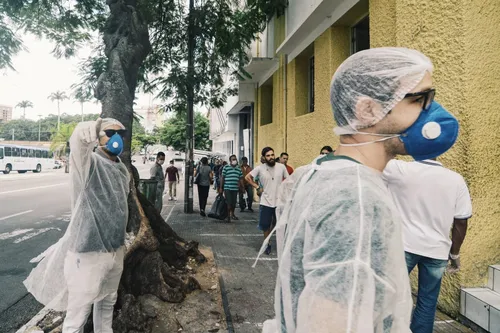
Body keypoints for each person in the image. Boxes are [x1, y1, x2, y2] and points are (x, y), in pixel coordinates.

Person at [260, 47, 461, 333]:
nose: (433, 111)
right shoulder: (355, 198)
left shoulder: (324, 170)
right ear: (367, 109)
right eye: (420, 99)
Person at [24, 118, 130, 333]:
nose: (117, 138)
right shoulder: (89, 164)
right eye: (110, 132)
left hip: (115, 250)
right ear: (98, 137)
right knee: (78, 314)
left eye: (122, 133)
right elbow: (79, 146)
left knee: (107, 303)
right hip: (87, 253)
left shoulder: (121, 169)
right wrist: (84, 132)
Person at [383, 158, 471, 333]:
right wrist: (454, 254)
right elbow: (461, 221)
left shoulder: (398, 169)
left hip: (402, 246)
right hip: (436, 251)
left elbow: (369, 163)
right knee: (427, 302)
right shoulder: (456, 179)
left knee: (387, 296)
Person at [245, 147, 288, 255]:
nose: (271, 157)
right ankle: (267, 244)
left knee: (279, 224)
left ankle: (282, 245)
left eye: (272, 155)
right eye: (268, 156)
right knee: (266, 225)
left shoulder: (281, 167)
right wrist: (257, 186)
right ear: (264, 157)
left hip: (279, 201)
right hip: (266, 201)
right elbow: (247, 177)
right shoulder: (260, 168)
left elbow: (288, 180)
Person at [220, 155, 243, 222]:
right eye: (233, 159)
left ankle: (232, 214)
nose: (234, 161)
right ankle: (228, 216)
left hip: (235, 189)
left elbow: (241, 178)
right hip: (227, 188)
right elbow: (222, 177)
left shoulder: (238, 168)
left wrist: (242, 187)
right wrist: (221, 187)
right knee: (229, 203)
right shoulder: (226, 167)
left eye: (235, 159)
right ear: (230, 161)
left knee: (233, 203)